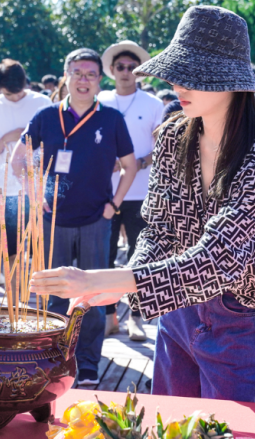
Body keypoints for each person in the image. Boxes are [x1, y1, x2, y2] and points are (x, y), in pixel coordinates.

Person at [30, 6, 255, 402]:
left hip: (237, 316)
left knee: (228, 430)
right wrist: (125, 277)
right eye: (177, 71)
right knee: (171, 421)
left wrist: (111, 280)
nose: (176, 83)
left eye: (192, 76)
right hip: (177, 308)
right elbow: (159, 229)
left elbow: (219, 259)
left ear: (230, 81)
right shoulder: (172, 136)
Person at [12, 48, 138, 386]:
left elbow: (131, 165)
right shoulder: (45, 116)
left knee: (92, 296)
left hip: (97, 218)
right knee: (54, 295)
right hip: (54, 219)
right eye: (78, 73)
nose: (84, 80)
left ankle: (88, 363)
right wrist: (35, 193)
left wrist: (114, 204)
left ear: (100, 80)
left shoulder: (111, 119)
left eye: (91, 74)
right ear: (66, 75)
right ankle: (55, 359)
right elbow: (17, 162)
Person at [98, 40, 163, 341]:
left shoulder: (153, 104)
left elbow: (163, 147)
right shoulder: (99, 100)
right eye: (120, 67)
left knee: (140, 258)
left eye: (131, 68)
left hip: (142, 194)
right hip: (103, 193)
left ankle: (136, 317)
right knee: (105, 257)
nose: (126, 72)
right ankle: (109, 316)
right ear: (111, 71)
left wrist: (132, 164)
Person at [0, 59, 51, 289]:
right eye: (10, 95)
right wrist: (9, 138)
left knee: (40, 248)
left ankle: (38, 298)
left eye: (20, 92)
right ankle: (12, 294)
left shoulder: (43, 102)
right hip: (4, 188)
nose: (17, 98)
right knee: (8, 248)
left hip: (39, 188)